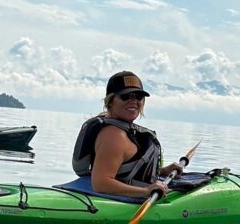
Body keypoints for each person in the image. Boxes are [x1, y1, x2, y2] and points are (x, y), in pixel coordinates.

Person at [71, 71, 182, 199]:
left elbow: (121, 169)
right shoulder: (114, 135)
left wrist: (161, 171)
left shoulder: (121, 129)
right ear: (110, 101)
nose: (133, 101)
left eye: (138, 97)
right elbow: (101, 184)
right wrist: (146, 191)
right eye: (125, 96)